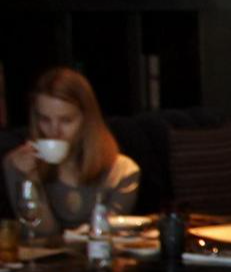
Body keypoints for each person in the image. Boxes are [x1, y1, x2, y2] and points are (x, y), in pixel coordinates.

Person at [3, 67, 140, 237]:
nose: (54, 132)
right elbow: (42, 236)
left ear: (87, 121)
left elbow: (104, 238)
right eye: (45, 120)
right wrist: (30, 179)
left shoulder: (122, 171)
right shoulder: (17, 164)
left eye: (66, 120)